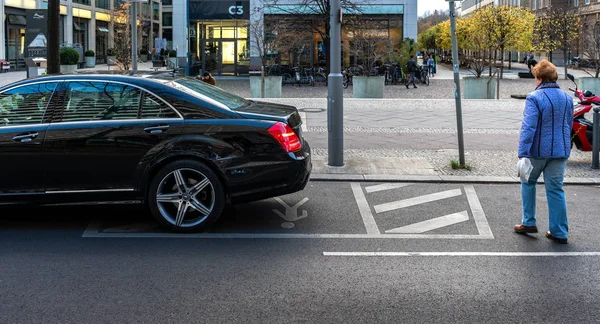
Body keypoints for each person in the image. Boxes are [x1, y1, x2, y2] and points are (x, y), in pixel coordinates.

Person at [514, 60, 573, 244]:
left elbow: (528, 127)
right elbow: (568, 124)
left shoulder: (534, 98)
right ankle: (559, 231)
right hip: (559, 151)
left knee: (528, 182)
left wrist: (523, 152)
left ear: (539, 78)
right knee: (556, 189)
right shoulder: (567, 98)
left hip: (537, 151)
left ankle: (529, 222)